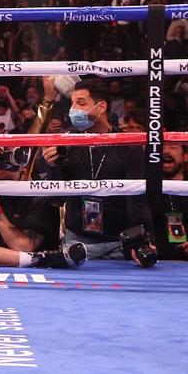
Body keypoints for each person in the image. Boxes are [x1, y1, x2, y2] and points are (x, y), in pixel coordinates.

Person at [39, 79, 157, 266]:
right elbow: (56, 199)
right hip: (77, 241)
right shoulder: (66, 143)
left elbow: (137, 200)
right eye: (72, 103)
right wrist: (53, 167)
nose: (73, 110)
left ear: (101, 107)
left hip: (119, 242)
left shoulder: (129, 147)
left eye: (81, 103)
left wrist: (144, 238)